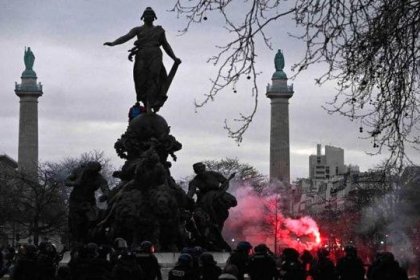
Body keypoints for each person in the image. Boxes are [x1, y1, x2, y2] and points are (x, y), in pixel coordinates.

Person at [104, 7, 181, 112]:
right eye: (146, 15)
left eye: (150, 15)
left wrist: (174, 57)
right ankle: (146, 103)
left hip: (155, 54)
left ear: (154, 17)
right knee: (141, 79)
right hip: (141, 55)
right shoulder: (138, 30)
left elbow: (166, 45)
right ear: (143, 17)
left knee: (154, 76)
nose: (148, 16)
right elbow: (126, 37)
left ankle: (151, 101)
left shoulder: (159, 31)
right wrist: (114, 43)